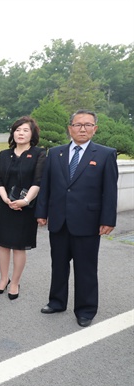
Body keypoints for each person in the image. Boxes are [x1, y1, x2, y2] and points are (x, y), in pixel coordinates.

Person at [36, 110, 118, 328]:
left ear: (95, 129)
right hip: (59, 220)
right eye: (78, 124)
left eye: (88, 125)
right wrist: (41, 212)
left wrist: (108, 219)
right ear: (70, 128)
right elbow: (47, 186)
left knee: (86, 268)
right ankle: (56, 301)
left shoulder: (105, 154)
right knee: (59, 265)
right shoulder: (55, 153)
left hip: (88, 222)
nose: (83, 129)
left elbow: (110, 191)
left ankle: (86, 309)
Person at [0, 117, 46, 299]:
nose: (20, 133)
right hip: (6, 205)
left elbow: (38, 181)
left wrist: (25, 200)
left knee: (19, 246)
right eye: (17, 130)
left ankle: (15, 282)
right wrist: (6, 198)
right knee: (3, 244)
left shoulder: (39, 153)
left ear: (32, 134)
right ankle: (3, 279)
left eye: (25, 130)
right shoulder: (4, 155)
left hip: (26, 206)